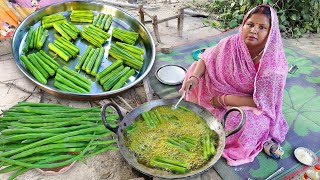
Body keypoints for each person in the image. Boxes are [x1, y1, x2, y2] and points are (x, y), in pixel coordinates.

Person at [180, 4, 288, 166]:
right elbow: (206, 57)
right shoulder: (232, 43)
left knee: (249, 126)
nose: (253, 31)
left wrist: (224, 99)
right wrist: (195, 78)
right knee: (194, 71)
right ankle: (207, 108)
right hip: (217, 88)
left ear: (270, 33)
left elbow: (261, 102)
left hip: (248, 101)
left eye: (262, 27)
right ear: (243, 24)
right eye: (250, 25)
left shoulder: (273, 68)